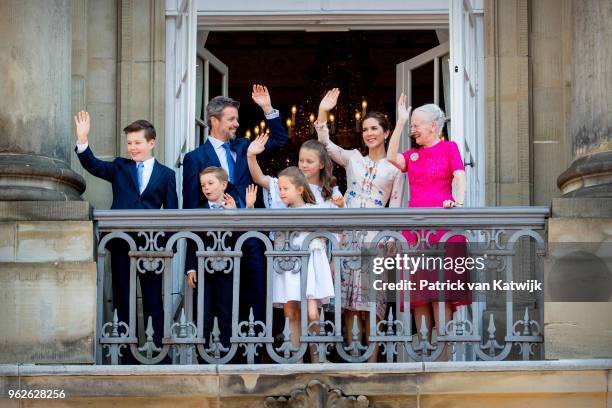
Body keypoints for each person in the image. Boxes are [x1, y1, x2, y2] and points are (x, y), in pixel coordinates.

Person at [182, 85, 288, 338]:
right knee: (219, 305)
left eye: (237, 120)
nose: (236, 124)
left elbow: (279, 139)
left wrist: (267, 108)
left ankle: (255, 351)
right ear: (213, 121)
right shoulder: (195, 158)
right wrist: (190, 264)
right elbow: (190, 211)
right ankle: (220, 355)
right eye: (231, 119)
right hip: (215, 242)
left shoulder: (243, 147)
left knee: (256, 296)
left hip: (251, 236)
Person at [74, 111, 178, 363]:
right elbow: (93, 165)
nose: (132, 147)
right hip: (120, 242)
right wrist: (83, 139)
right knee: (122, 295)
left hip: (152, 246)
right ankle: (124, 352)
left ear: (151, 143)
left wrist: (166, 245)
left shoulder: (166, 175)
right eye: (129, 143)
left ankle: (158, 353)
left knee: (153, 297)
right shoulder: (120, 166)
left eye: (137, 142)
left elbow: (174, 213)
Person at [316, 88, 404, 362]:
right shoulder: (353, 157)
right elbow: (326, 147)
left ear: (386, 133)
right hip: (348, 236)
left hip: (375, 239)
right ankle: (352, 357)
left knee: (371, 303)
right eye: (366, 129)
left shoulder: (395, 167)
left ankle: (373, 362)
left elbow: (397, 206)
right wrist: (323, 112)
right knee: (348, 304)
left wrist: (391, 239)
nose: (369, 133)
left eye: (375, 128)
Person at [386, 95, 470, 350]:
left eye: (416, 125)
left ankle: (443, 353)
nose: (413, 130)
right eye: (411, 125)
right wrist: (400, 122)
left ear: (434, 126)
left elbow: (459, 177)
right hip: (416, 229)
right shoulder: (412, 155)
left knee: (440, 293)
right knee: (419, 294)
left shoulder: (449, 148)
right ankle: (424, 349)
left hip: (442, 226)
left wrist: (457, 202)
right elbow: (391, 157)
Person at [248, 164, 335, 362]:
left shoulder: (315, 210)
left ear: (300, 190)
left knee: (313, 313)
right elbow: (258, 227)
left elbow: (332, 228)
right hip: (288, 266)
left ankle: (317, 359)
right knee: (291, 311)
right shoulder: (279, 212)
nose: (281, 192)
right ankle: (298, 360)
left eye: (285, 188)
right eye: (279, 189)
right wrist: (251, 207)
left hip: (310, 265)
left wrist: (340, 206)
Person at [184, 166, 257, 349]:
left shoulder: (234, 209)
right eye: (203, 185)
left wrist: (236, 215)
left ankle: (228, 356)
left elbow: (244, 240)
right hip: (204, 270)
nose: (206, 188)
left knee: (228, 314)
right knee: (204, 314)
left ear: (223, 184)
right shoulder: (198, 210)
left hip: (229, 270)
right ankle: (204, 357)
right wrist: (191, 268)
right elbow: (192, 241)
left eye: (210, 183)